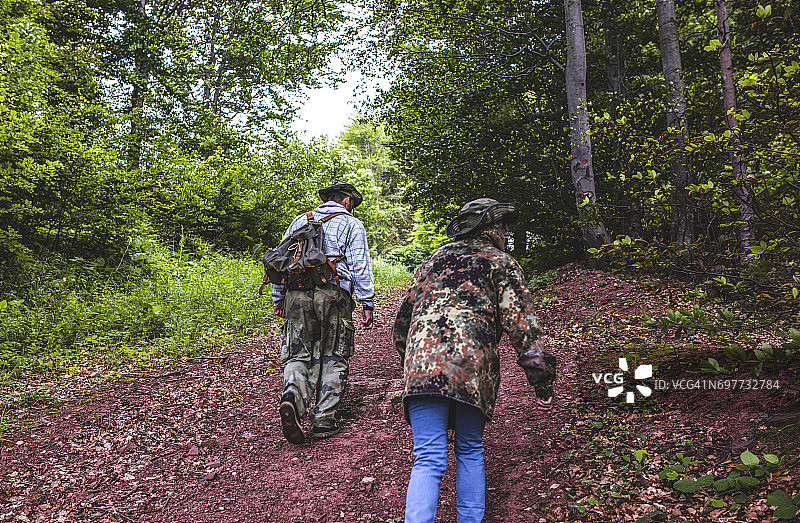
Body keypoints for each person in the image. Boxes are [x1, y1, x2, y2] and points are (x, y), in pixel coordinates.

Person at [392, 198, 556, 523]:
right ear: (492, 228)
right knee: (469, 450)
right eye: (504, 227)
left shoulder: (432, 262)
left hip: (421, 366)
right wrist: (542, 381)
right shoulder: (500, 262)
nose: (506, 234)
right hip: (472, 367)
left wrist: (415, 366)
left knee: (427, 459)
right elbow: (522, 327)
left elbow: (402, 326)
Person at [272, 182, 375, 444]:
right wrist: (367, 302)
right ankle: (324, 420)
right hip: (333, 292)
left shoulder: (300, 220)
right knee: (334, 353)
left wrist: (278, 297)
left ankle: (293, 400)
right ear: (347, 202)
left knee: (298, 353)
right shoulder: (351, 224)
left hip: (296, 293)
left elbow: (280, 260)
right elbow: (360, 264)